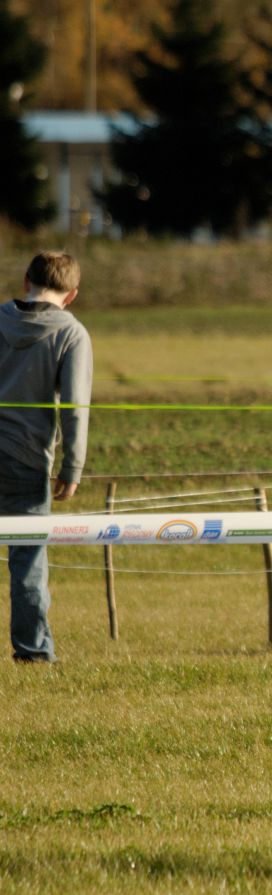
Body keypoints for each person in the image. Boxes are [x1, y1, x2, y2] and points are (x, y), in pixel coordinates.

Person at [0, 252, 92, 663]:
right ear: (71, 295)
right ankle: (33, 652)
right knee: (28, 559)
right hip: (26, 459)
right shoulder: (71, 334)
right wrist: (72, 467)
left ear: (26, 281)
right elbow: (74, 407)